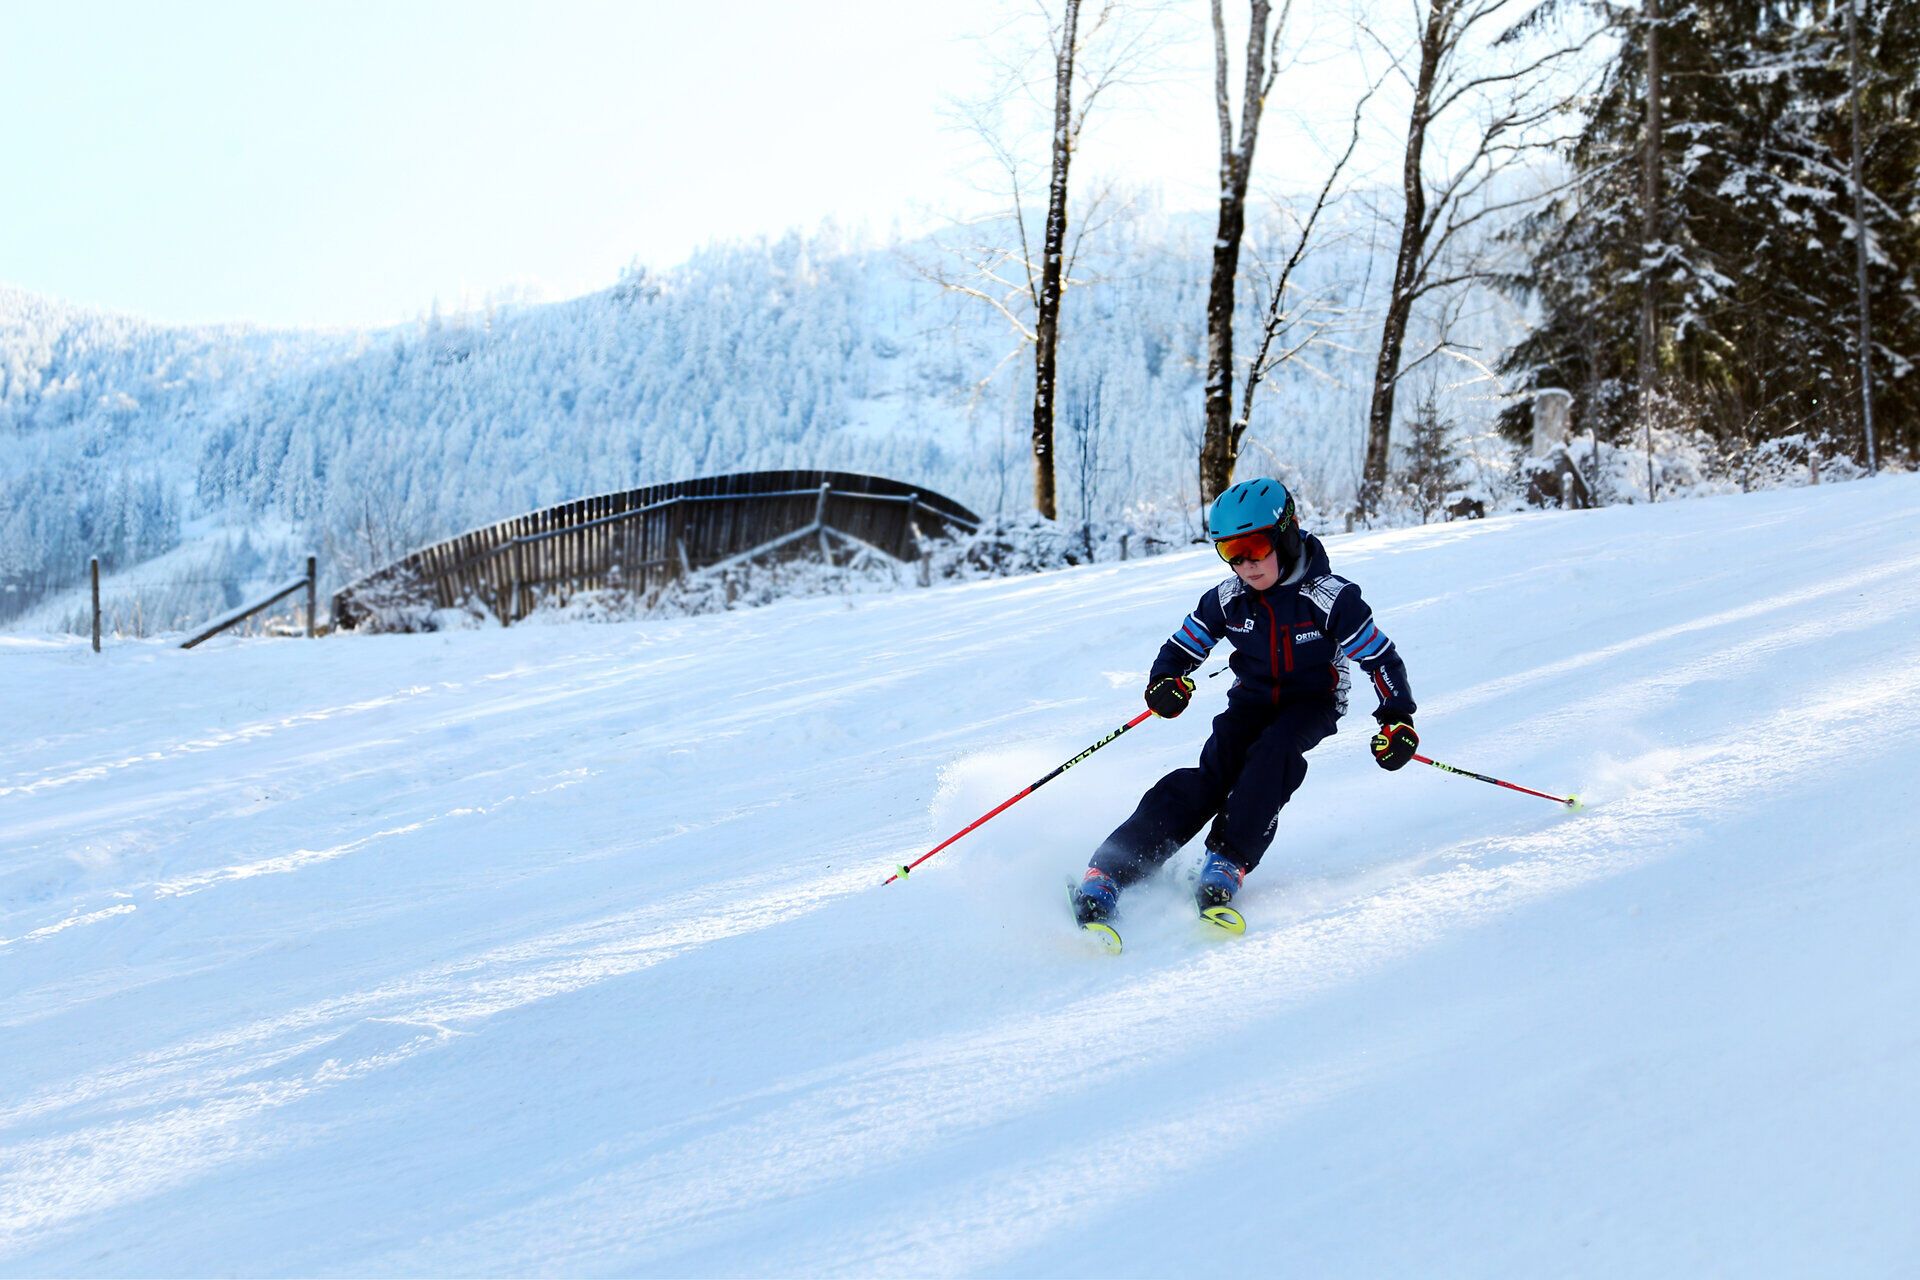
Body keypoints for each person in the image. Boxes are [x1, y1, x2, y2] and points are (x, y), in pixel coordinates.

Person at [1071, 477, 1419, 928]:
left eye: (1254, 546)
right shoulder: (1229, 598)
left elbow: (1380, 658)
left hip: (1312, 702)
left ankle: (1227, 861)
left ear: (1286, 535)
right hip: (1250, 701)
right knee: (1208, 780)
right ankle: (1111, 868)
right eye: (1229, 553)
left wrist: (1397, 720)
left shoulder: (1332, 599)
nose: (1245, 564)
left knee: (1272, 756)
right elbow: (1185, 643)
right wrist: (1166, 679)